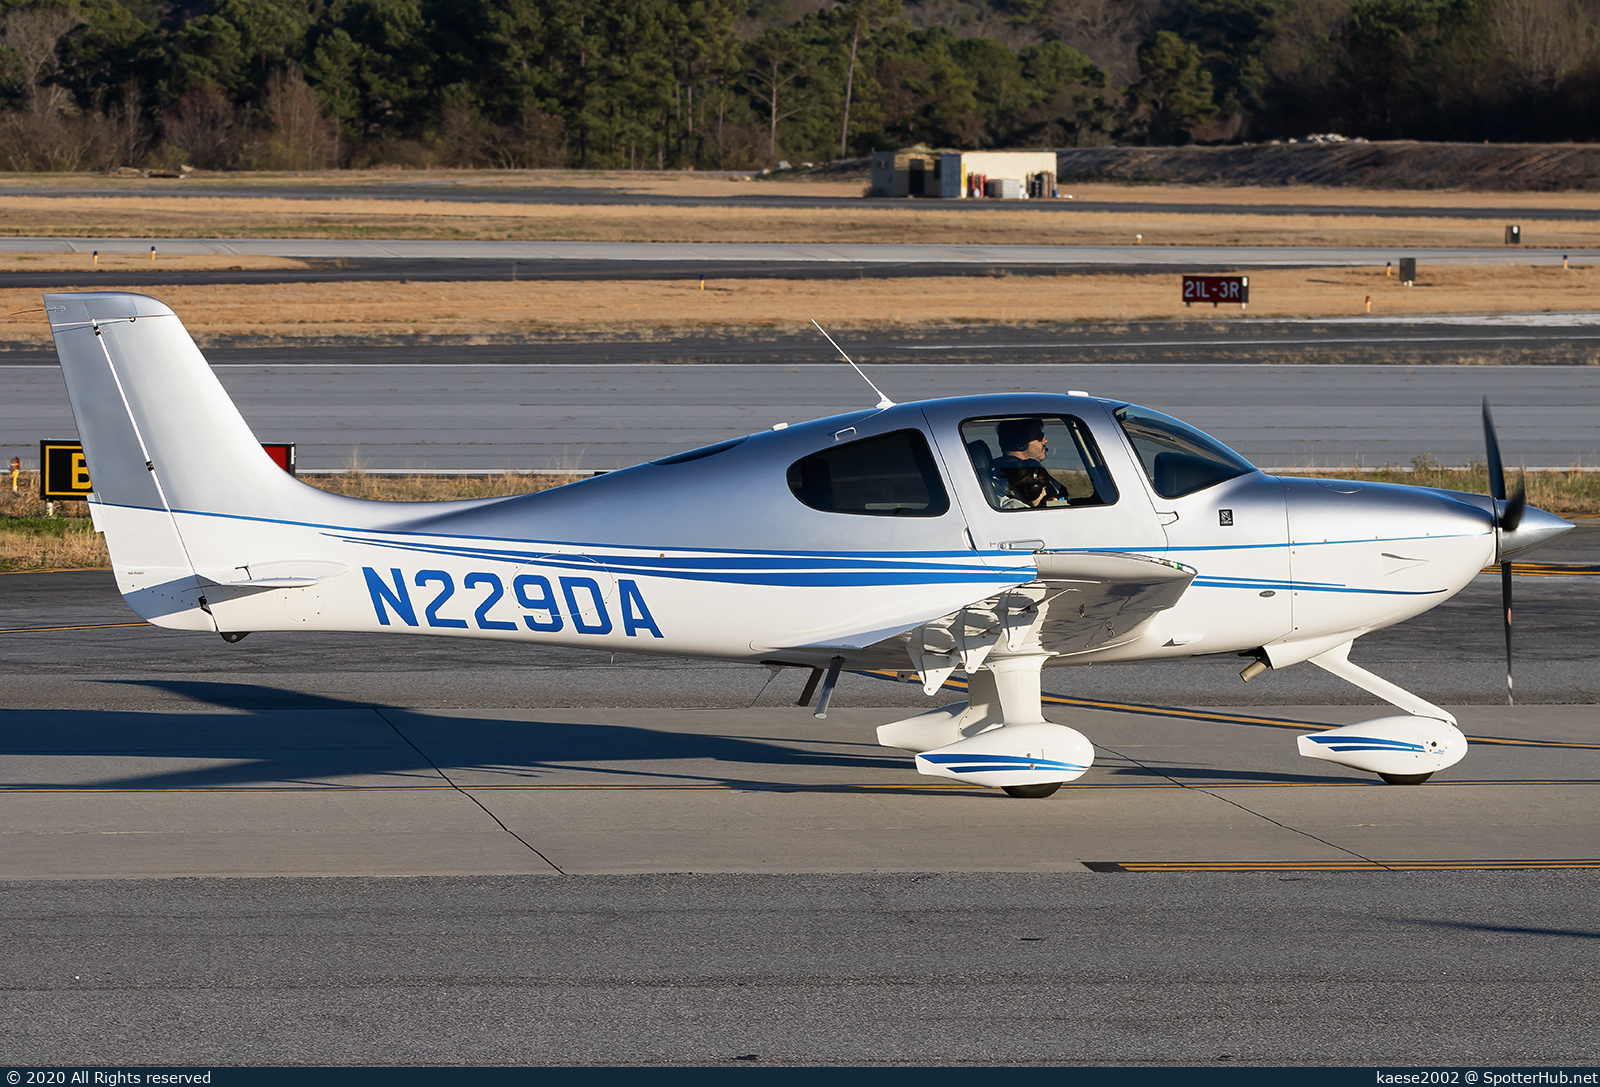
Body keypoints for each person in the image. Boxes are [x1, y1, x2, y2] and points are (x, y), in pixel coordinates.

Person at [991, 419, 1065, 508]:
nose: (1045, 441)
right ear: (1020, 443)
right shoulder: (1007, 479)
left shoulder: (1033, 471)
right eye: (1039, 437)